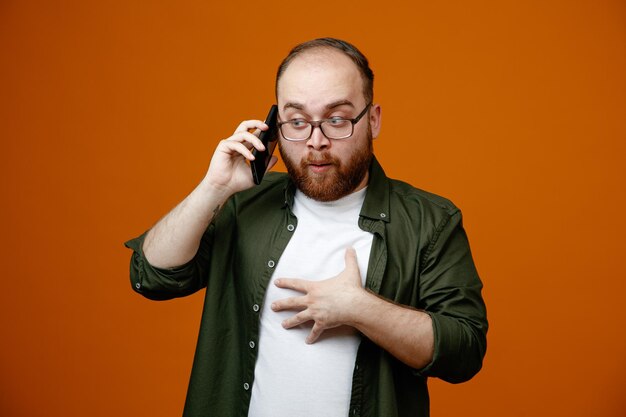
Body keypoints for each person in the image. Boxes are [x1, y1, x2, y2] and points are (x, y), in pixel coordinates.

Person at [125, 37, 488, 417]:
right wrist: (215, 187)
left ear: (373, 120)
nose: (316, 141)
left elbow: (464, 351)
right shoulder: (241, 203)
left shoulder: (430, 220)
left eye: (336, 119)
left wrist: (360, 308)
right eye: (297, 122)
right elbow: (151, 276)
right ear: (274, 126)